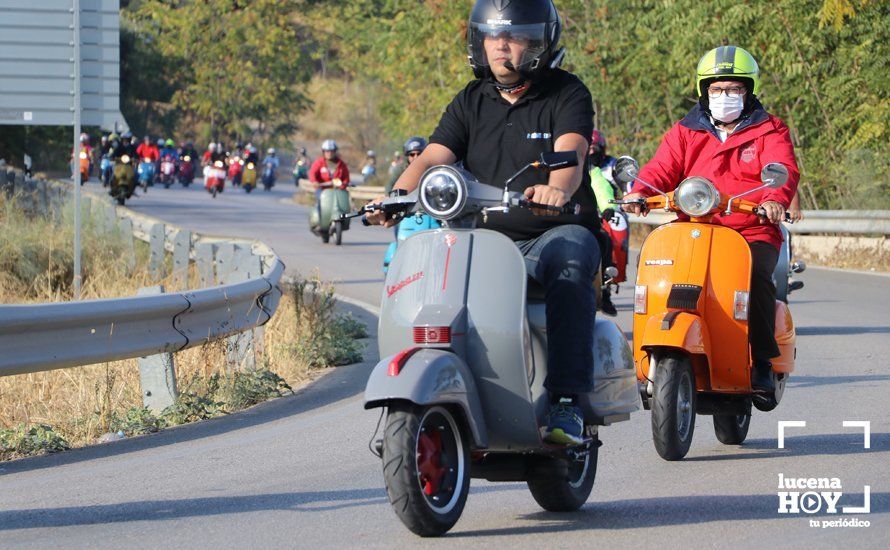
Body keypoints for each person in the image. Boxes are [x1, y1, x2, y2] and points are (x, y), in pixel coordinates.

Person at [366, 0, 600, 445]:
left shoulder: (567, 93)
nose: (501, 46)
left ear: (537, 42)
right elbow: (435, 155)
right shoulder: (470, 100)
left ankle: (567, 402)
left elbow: (572, 150)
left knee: (570, 259)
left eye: (512, 37)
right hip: (483, 239)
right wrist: (396, 196)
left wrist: (559, 189)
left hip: (551, 233)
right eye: (493, 36)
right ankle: (426, 397)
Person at [621, 45, 799, 393]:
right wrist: (639, 192)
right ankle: (655, 350)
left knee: (757, 277)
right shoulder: (685, 131)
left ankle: (761, 359)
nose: (725, 96)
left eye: (734, 89)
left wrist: (775, 200)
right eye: (717, 89)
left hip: (751, 228)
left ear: (749, 90)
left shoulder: (770, 129)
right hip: (693, 226)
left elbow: (783, 169)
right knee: (662, 274)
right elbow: (662, 167)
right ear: (705, 91)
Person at [588, 129, 626, 316]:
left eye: (593, 148)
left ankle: (605, 288)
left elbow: (601, 188)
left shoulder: (593, 170)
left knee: (606, 240)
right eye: (587, 148)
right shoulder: (556, 161)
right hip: (556, 216)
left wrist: (608, 207)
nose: (590, 152)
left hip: (594, 214)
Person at [309, 140, 351, 222]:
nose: (329, 153)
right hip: (322, 189)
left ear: (335, 151)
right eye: (327, 151)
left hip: (338, 190)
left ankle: (345, 221)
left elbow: (346, 178)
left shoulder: (341, 164)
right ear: (323, 152)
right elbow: (312, 173)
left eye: (331, 151)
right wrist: (315, 182)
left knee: (345, 204)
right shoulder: (319, 163)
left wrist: (344, 184)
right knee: (319, 203)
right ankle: (319, 221)